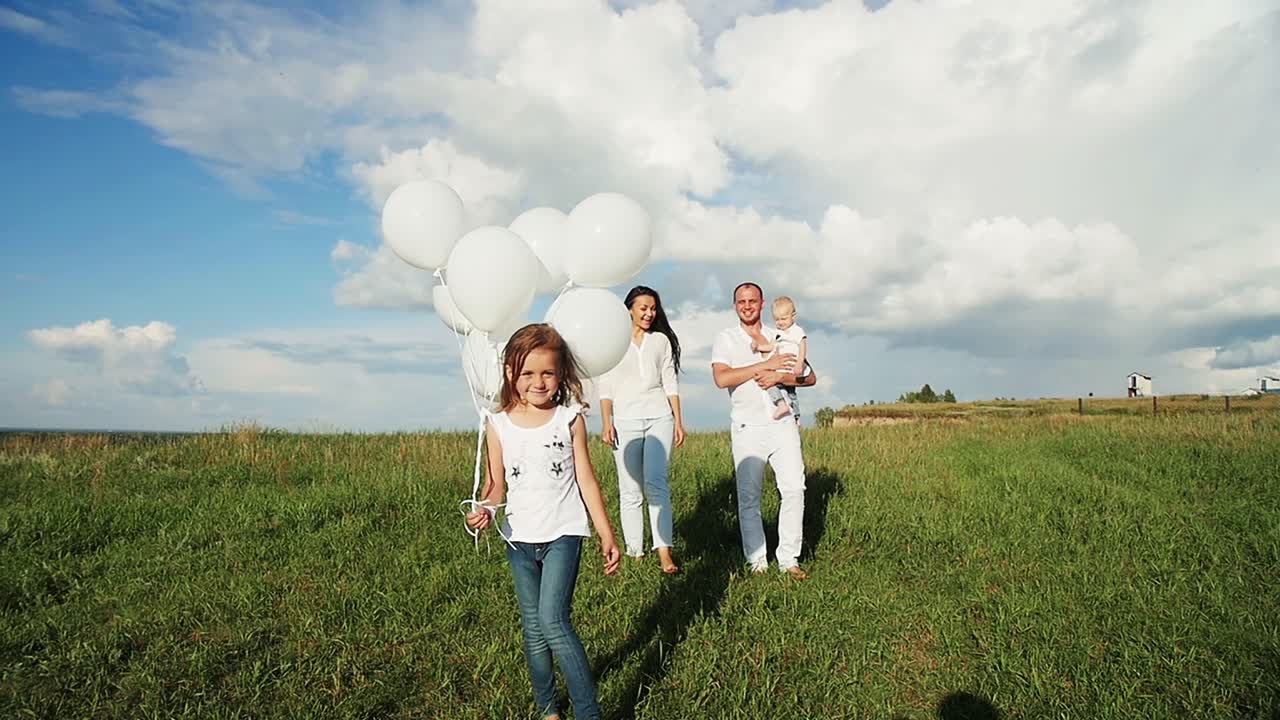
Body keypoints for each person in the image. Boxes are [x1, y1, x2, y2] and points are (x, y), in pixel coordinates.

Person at [466, 323, 622, 720]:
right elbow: (496, 484)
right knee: (534, 629)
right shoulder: (496, 424)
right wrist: (485, 508)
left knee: (554, 621)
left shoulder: (569, 419)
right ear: (510, 374)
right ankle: (548, 709)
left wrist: (606, 532)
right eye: (528, 373)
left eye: (547, 373)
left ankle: (589, 713)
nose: (538, 382)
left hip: (563, 534)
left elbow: (586, 478)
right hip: (518, 538)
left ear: (561, 374)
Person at [710, 283, 817, 580]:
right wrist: (762, 367)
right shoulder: (726, 339)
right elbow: (722, 378)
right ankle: (757, 563)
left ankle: (789, 559)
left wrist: (778, 376)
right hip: (747, 428)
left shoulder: (780, 334)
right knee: (749, 497)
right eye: (741, 301)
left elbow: (809, 377)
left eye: (752, 301)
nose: (747, 306)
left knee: (794, 488)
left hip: (782, 425)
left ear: (762, 303)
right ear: (735, 305)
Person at [597, 285, 687, 574]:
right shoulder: (613, 342)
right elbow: (606, 386)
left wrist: (678, 420)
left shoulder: (661, 341)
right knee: (630, 491)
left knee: (657, 485)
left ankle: (664, 553)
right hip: (624, 421)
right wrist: (606, 421)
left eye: (653, 308)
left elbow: (670, 381)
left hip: (659, 416)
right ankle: (635, 553)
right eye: (643, 308)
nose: (649, 313)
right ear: (630, 310)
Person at [750, 295, 808, 423]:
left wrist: (799, 363)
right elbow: (771, 346)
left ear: (793, 317)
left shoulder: (797, 331)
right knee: (769, 384)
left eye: (783, 319)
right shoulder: (778, 333)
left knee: (791, 392)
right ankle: (781, 404)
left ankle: (796, 417)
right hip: (780, 368)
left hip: (792, 367)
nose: (780, 322)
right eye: (777, 319)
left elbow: (802, 347)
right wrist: (758, 347)